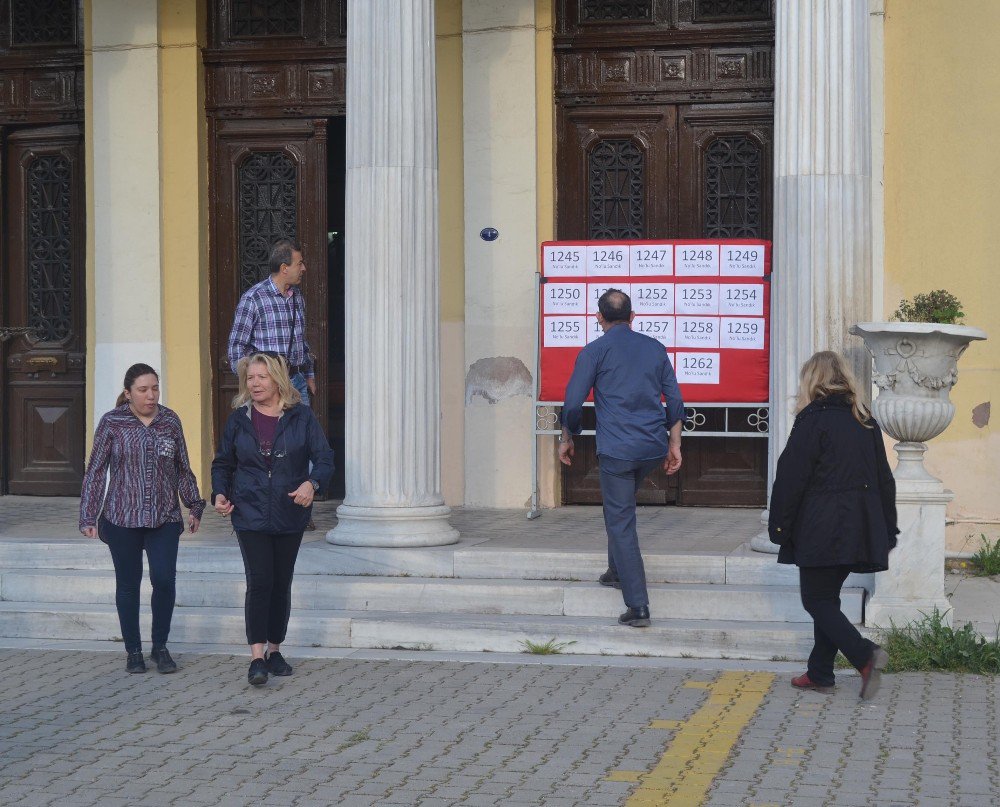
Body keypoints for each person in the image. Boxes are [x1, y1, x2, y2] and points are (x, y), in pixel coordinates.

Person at [769, 350, 898, 700]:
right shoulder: (864, 418)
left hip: (821, 526)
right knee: (827, 597)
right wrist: (888, 527)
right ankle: (820, 673)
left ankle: (865, 655)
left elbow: (790, 479)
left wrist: (779, 527)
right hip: (860, 524)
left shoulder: (813, 420)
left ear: (812, 381)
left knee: (816, 600)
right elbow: (884, 478)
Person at [559, 289, 684, 628]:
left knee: (621, 519)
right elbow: (674, 400)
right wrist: (675, 444)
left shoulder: (594, 351)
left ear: (598, 318)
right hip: (651, 447)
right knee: (620, 508)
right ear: (633, 317)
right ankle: (616, 570)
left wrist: (568, 435)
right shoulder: (655, 348)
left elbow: (572, 404)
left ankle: (638, 605)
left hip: (617, 449)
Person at [211, 352, 334, 686]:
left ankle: (275, 650)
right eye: (250, 378)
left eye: (261, 377)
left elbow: (323, 458)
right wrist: (220, 493)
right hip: (248, 512)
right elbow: (223, 463)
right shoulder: (239, 419)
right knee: (260, 581)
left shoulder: (302, 417)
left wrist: (312, 483)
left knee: (281, 583)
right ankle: (256, 657)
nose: (254, 383)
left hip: (288, 511)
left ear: (277, 379)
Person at [79, 363, 205, 674]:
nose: (151, 396)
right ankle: (133, 650)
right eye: (143, 390)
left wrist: (194, 505)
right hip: (122, 517)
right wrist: (88, 515)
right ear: (128, 393)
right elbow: (96, 471)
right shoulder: (112, 423)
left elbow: (182, 468)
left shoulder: (170, 420)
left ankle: (160, 647)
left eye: (155, 388)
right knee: (128, 585)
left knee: (164, 580)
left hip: (164, 517)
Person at [227, 238, 316, 407]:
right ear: (284, 268)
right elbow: (236, 347)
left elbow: (301, 341)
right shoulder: (253, 299)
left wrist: (309, 375)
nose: (303, 268)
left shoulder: (297, 297)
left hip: (297, 383)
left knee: (301, 432)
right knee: (269, 433)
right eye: (299, 264)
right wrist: (254, 381)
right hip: (269, 386)